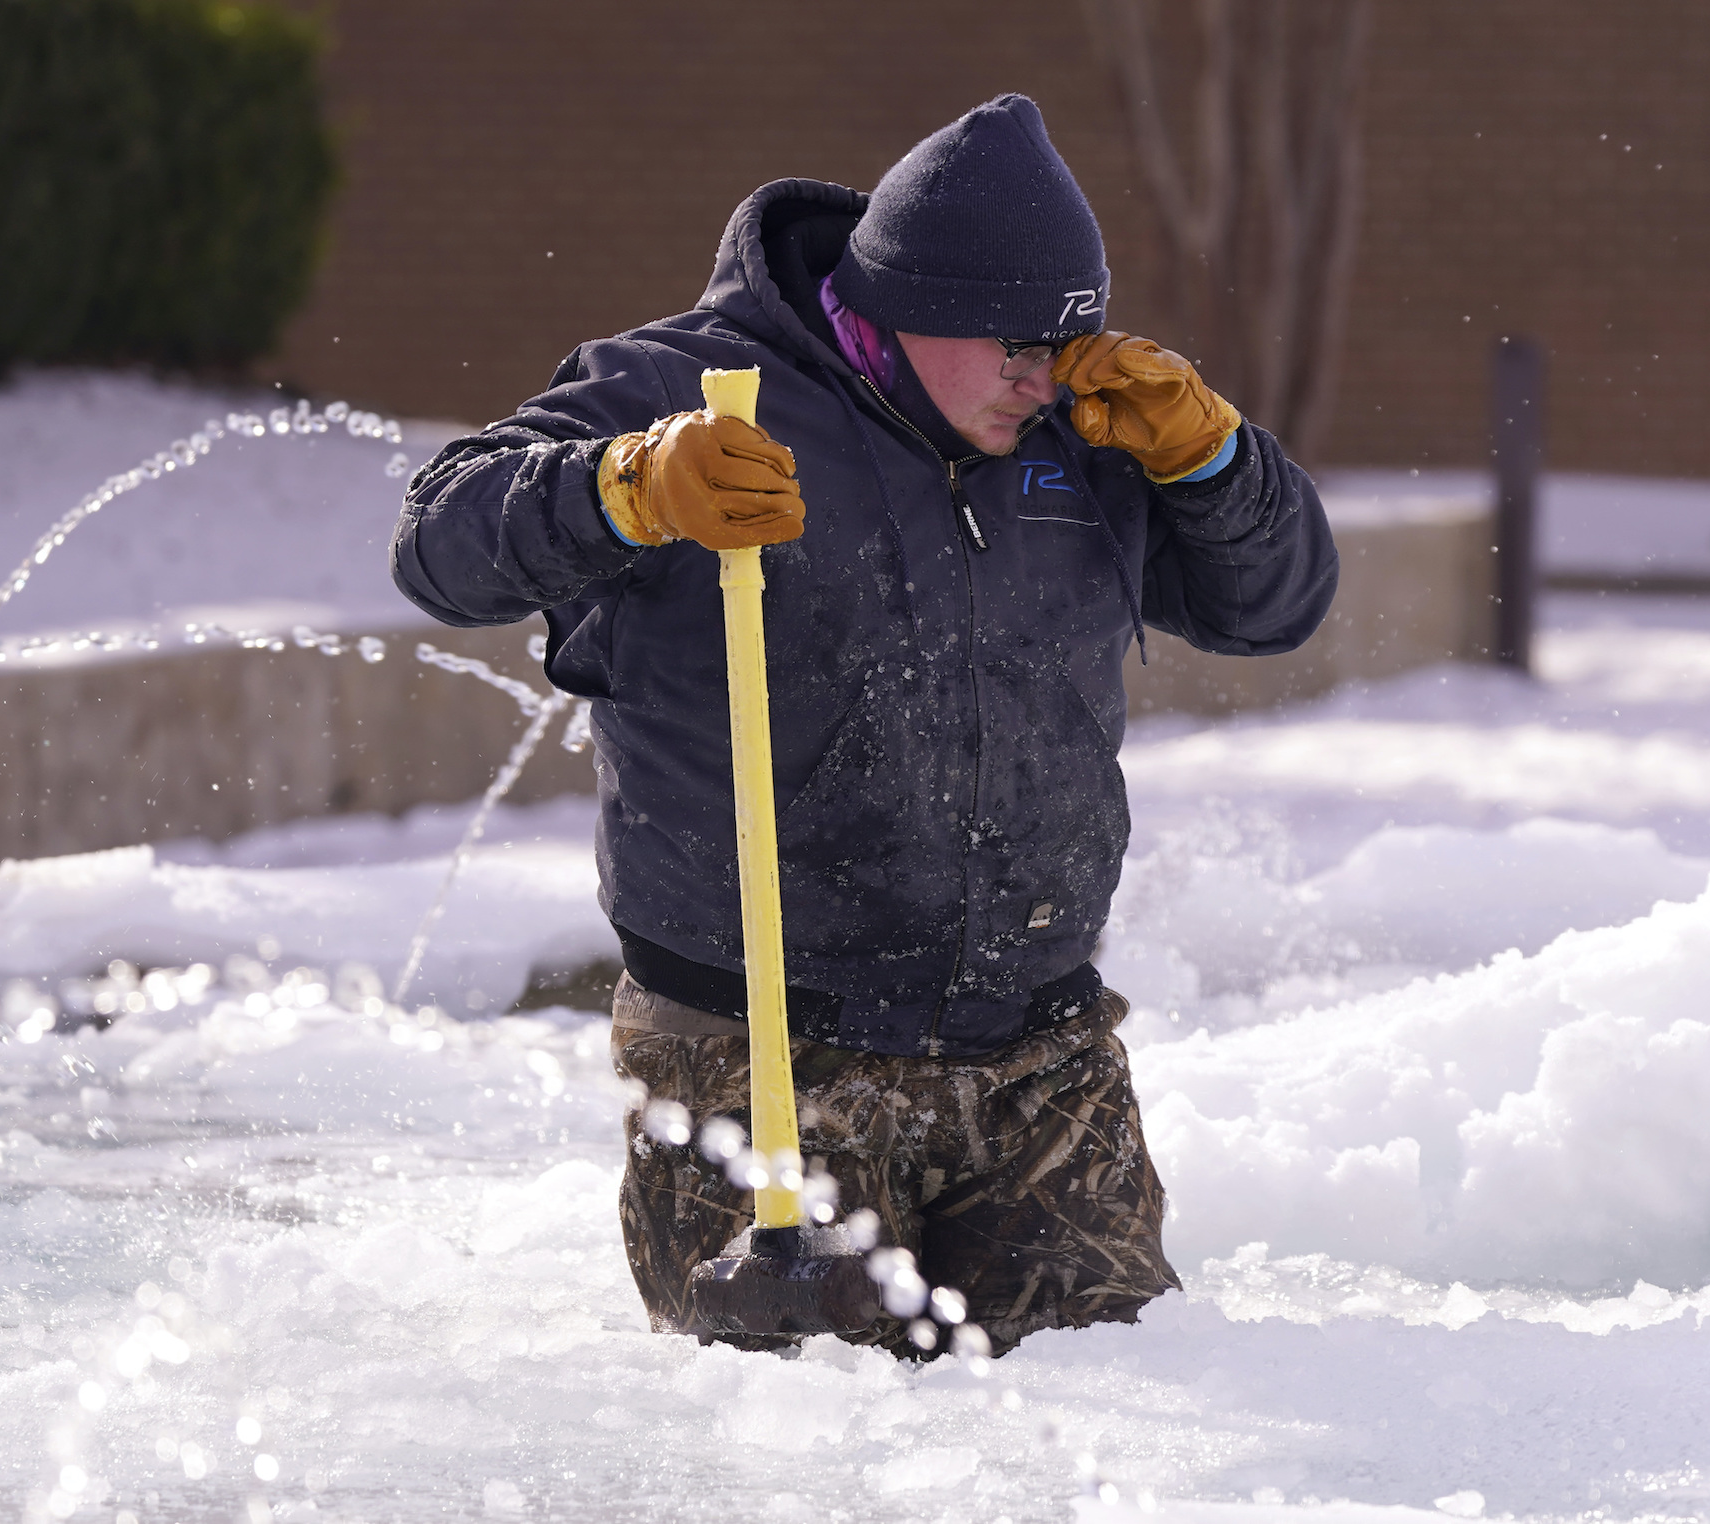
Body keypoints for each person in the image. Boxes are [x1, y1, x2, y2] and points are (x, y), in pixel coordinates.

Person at [392, 94, 1337, 1356]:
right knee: (815, 1457)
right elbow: (439, 548)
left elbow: (1273, 608)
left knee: (1118, 1418)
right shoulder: (683, 388)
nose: (1039, 375)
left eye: (1066, 338)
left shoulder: (1088, 430)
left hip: (1038, 1053)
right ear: (898, 303)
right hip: (762, 1050)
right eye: (1010, 343)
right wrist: (625, 487)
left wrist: (1220, 469)